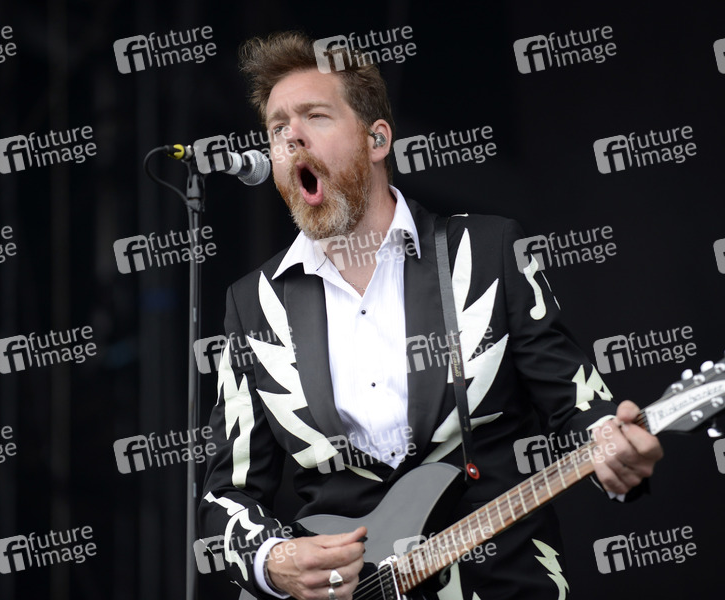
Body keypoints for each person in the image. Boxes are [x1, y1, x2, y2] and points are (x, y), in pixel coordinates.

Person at [199, 31, 663, 600]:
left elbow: (578, 405)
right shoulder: (254, 305)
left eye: (315, 116)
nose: (291, 136)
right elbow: (226, 494)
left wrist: (613, 445)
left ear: (377, 139)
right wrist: (273, 561)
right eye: (277, 128)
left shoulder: (488, 254)